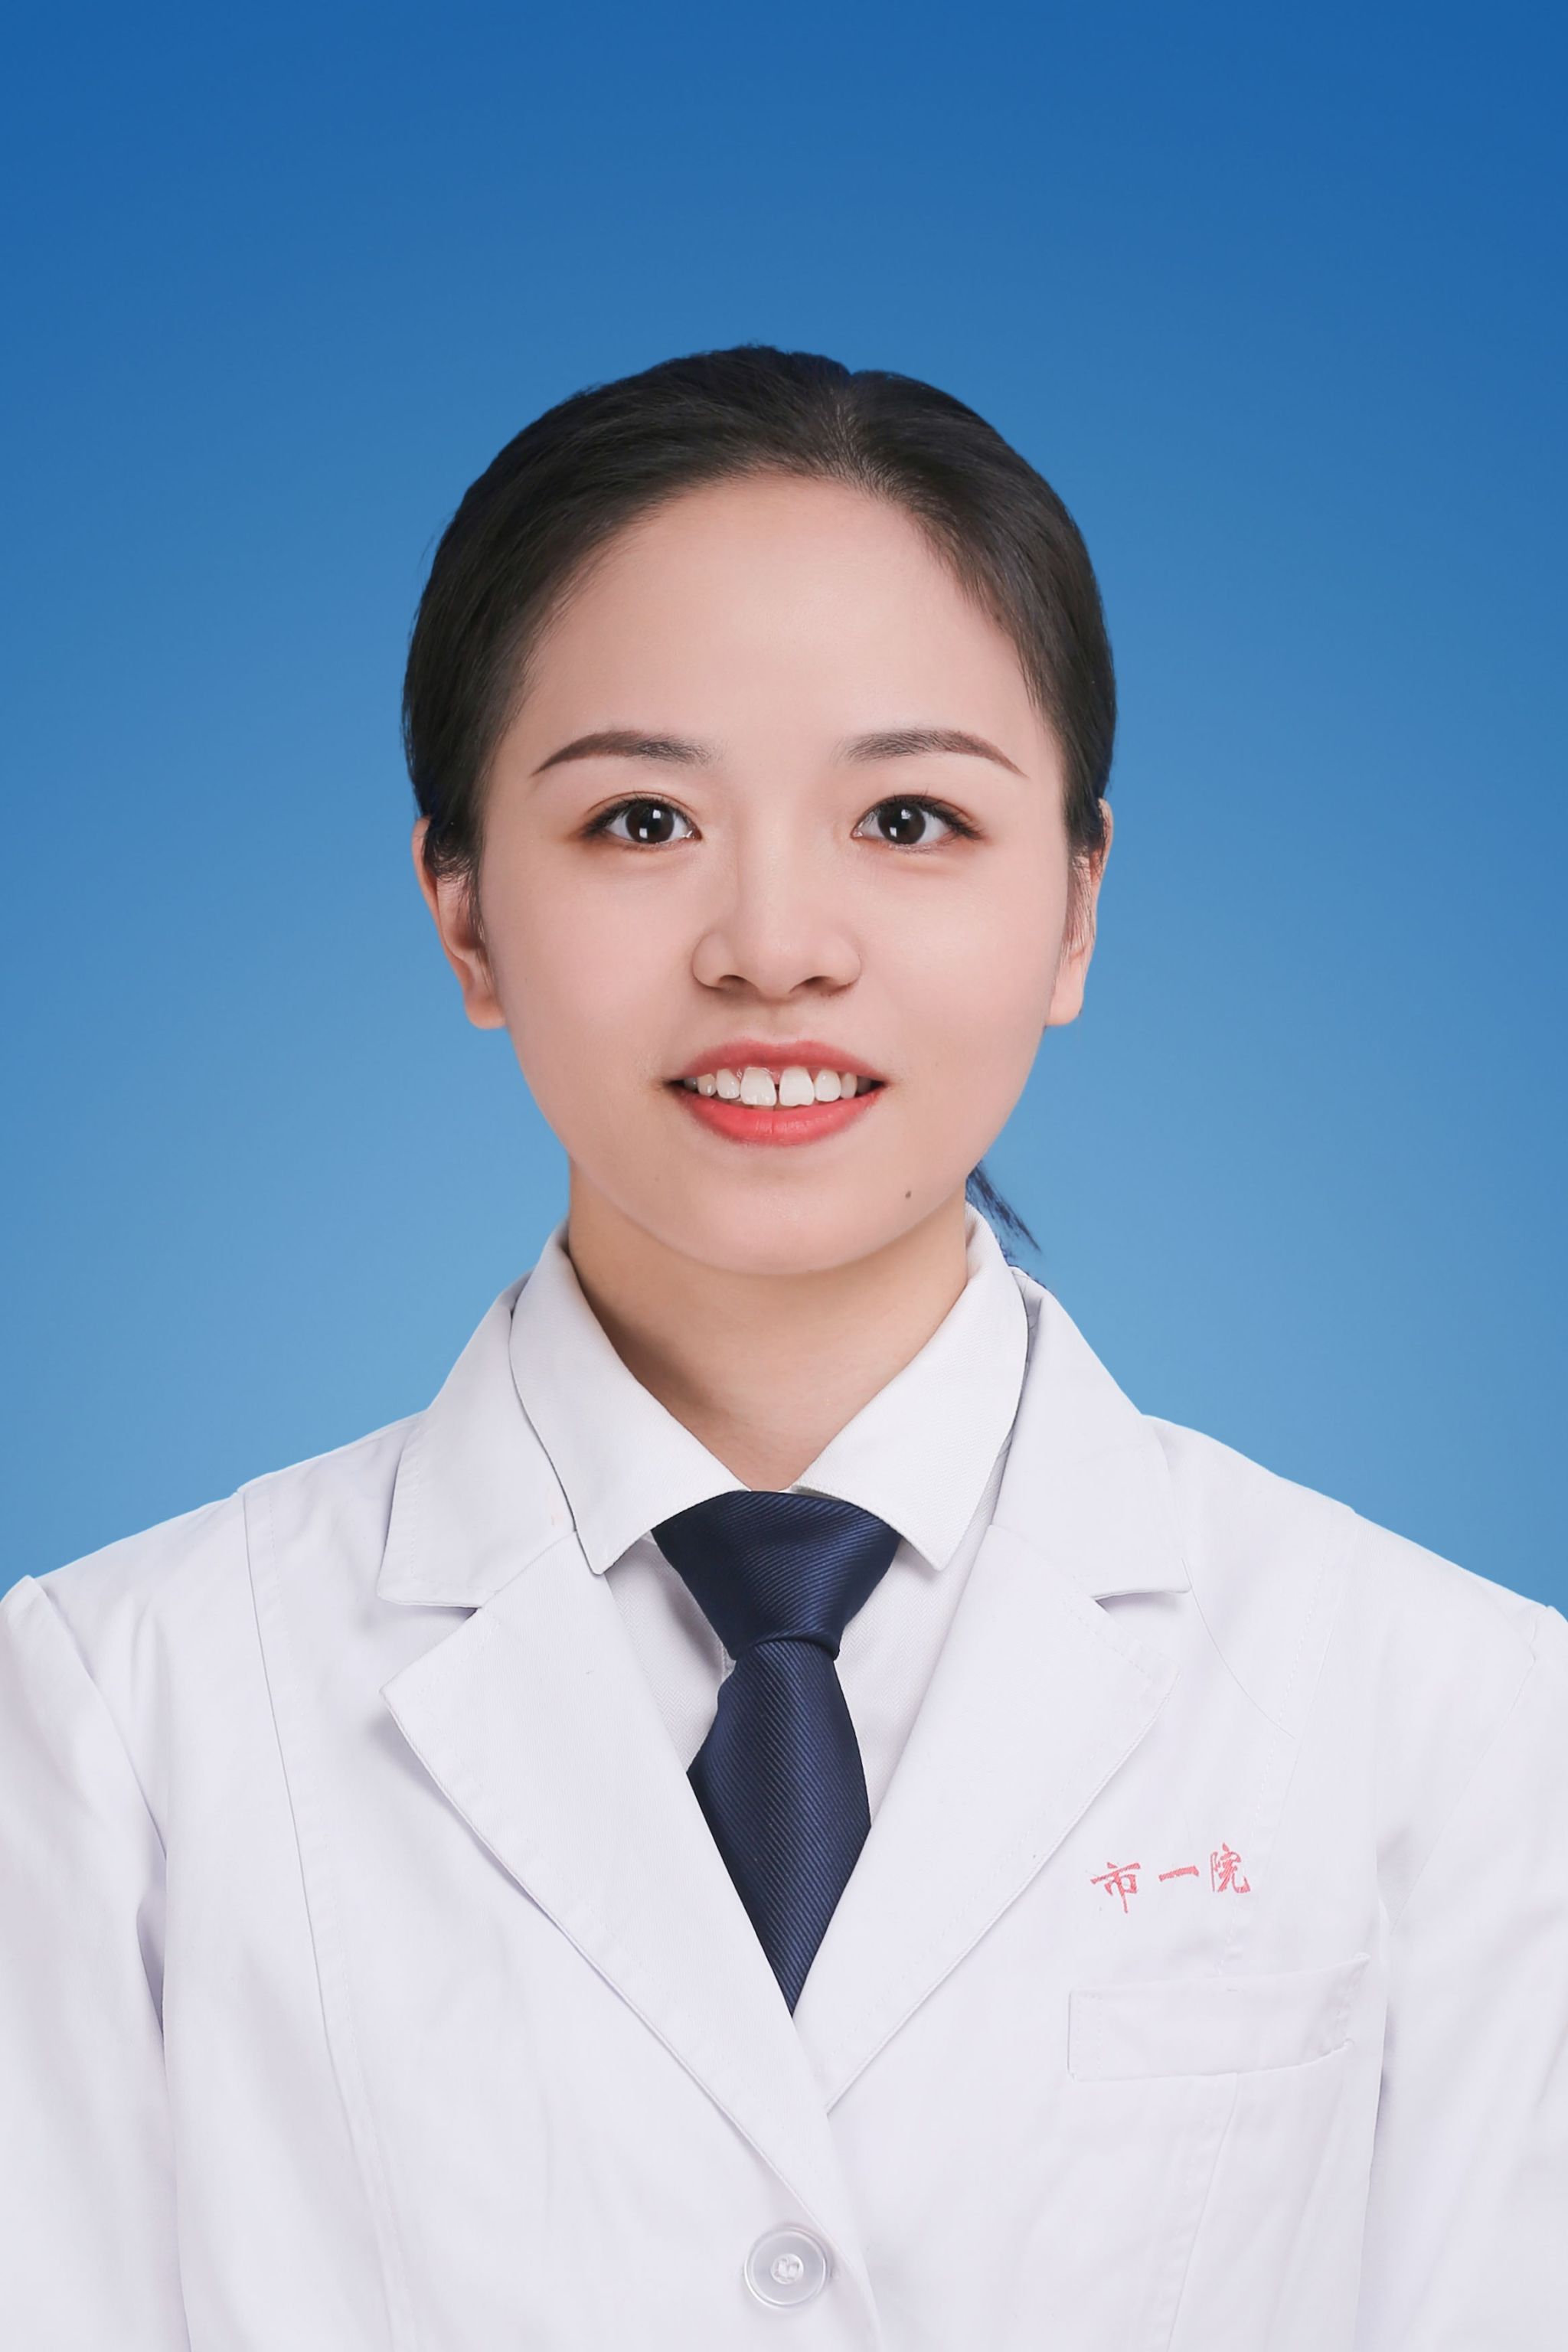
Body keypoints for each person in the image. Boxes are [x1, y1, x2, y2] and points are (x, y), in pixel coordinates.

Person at [2, 347, 1564, 2351]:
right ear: (463, 913)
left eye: (909, 818)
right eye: (641, 818)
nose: (774, 946)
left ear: (1078, 906)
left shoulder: (1464, 1718)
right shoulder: (119, 1717)